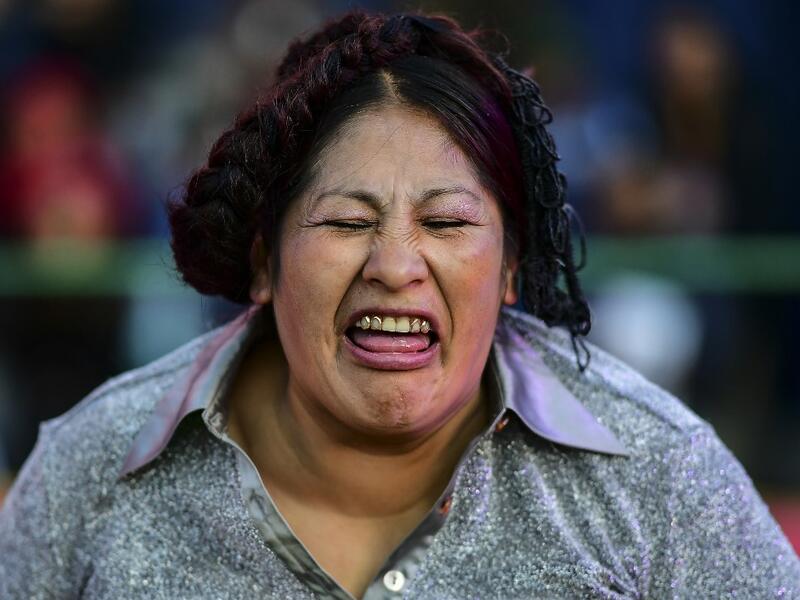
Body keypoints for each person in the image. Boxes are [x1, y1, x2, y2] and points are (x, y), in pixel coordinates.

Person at [1, 10, 798, 599]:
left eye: (447, 223)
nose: (395, 266)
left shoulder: (660, 477)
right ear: (263, 261)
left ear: (512, 265)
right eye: (348, 222)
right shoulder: (92, 467)